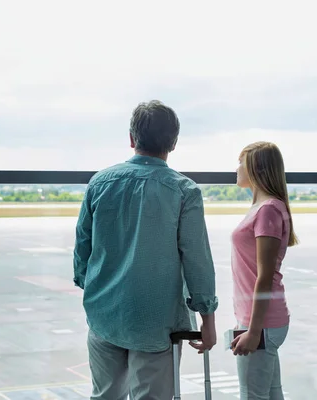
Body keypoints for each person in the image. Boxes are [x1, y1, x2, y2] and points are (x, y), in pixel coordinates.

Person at [73, 100, 218, 400]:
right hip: (155, 321)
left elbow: (82, 249)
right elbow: (197, 260)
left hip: (105, 314)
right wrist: (207, 319)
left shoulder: (99, 183)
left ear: (131, 138)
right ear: (174, 143)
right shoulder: (184, 190)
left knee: (104, 395)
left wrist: (94, 287)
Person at [229, 141, 298, 399]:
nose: (236, 168)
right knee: (270, 393)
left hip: (261, 323)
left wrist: (254, 331)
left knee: (252, 395)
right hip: (260, 320)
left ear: (255, 167)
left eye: (240, 162)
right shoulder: (264, 208)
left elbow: (264, 277)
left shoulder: (268, 210)